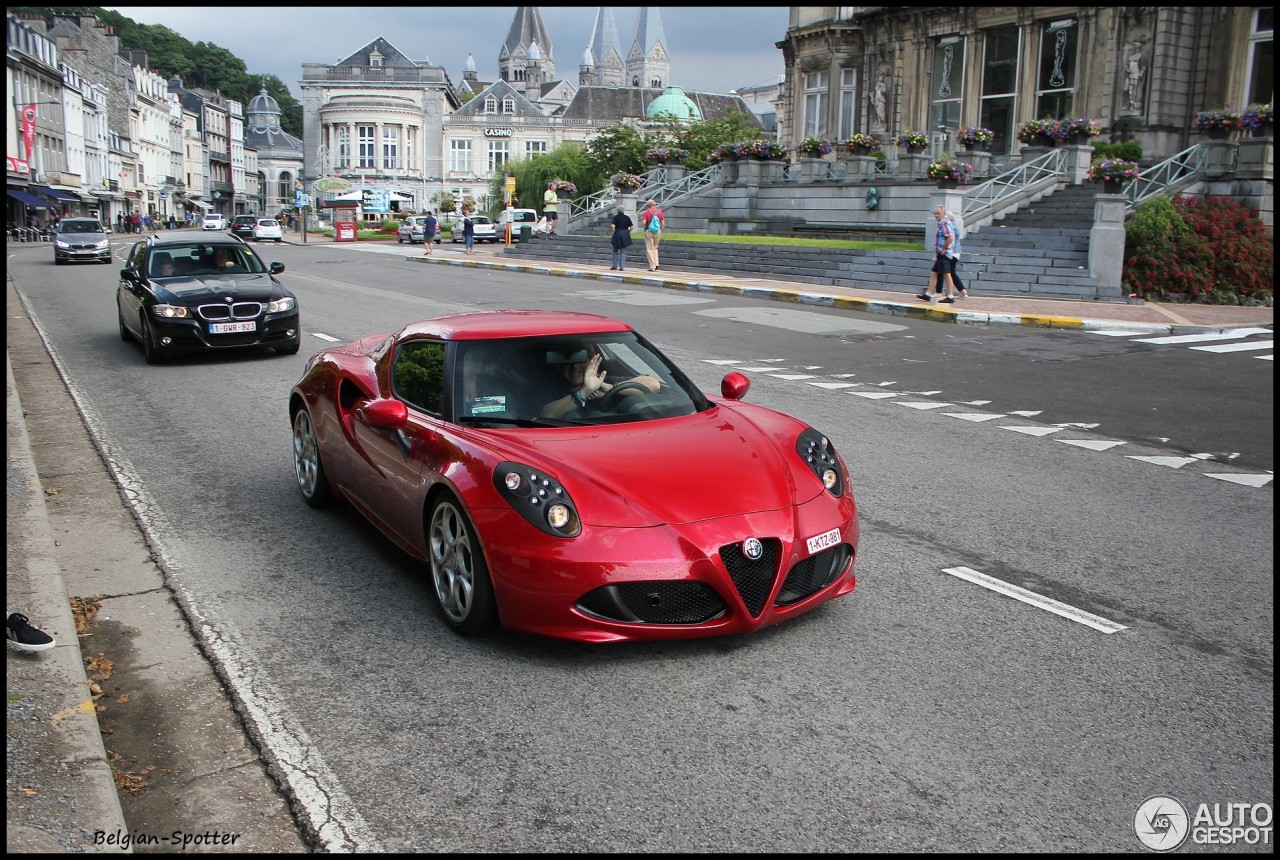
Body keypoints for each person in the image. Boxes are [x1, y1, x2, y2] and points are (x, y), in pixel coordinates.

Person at [541, 348, 660, 419]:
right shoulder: (550, 388)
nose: (574, 365)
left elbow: (654, 384)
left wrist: (610, 388)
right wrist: (584, 392)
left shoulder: (604, 380)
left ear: (593, 362)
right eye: (568, 360)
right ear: (559, 364)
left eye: (581, 359)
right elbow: (547, 414)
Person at [918, 204, 957, 303]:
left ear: (943, 213)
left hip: (945, 253)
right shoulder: (941, 222)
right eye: (935, 213)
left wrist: (943, 248)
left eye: (938, 213)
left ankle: (950, 296)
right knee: (934, 272)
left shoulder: (945, 222)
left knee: (946, 274)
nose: (936, 215)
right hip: (941, 253)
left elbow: (950, 237)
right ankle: (928, 294)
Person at [640, 199, 664, 271]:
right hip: (657, 231)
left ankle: (652, 266)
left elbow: (644, 222)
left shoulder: (647, 212)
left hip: (649, 231)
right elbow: (663, 222)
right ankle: (657, 264)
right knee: (655, 248)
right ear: (654, 204)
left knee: (649, 249)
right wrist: (660, 230)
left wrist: (645, 224)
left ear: (648, 205)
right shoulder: (659, 212)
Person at [609, 206, 633, 270]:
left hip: (617, 233)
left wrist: (613, 231)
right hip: (625, 234)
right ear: (623, 210)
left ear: (617, 211)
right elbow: (632, 226)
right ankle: (622, 267)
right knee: (623, 251)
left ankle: (614, 266)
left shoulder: (616, 217)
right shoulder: (627, 217)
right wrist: (628, 231)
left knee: (615, 250)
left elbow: (613, 225)